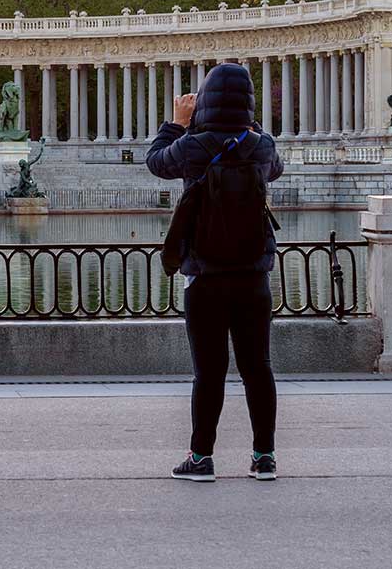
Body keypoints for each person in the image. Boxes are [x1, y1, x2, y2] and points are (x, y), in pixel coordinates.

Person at [146, 62, 284, 483]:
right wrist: (248, 121)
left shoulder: (193, 146)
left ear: (203, 100)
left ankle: (201, 457)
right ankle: (264, 457)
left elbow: (155, 162)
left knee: (208, 372)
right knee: (258, 367)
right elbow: (273, 166)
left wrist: (176, 123)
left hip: (205, 276)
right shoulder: (261, 146)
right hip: (253, 275)